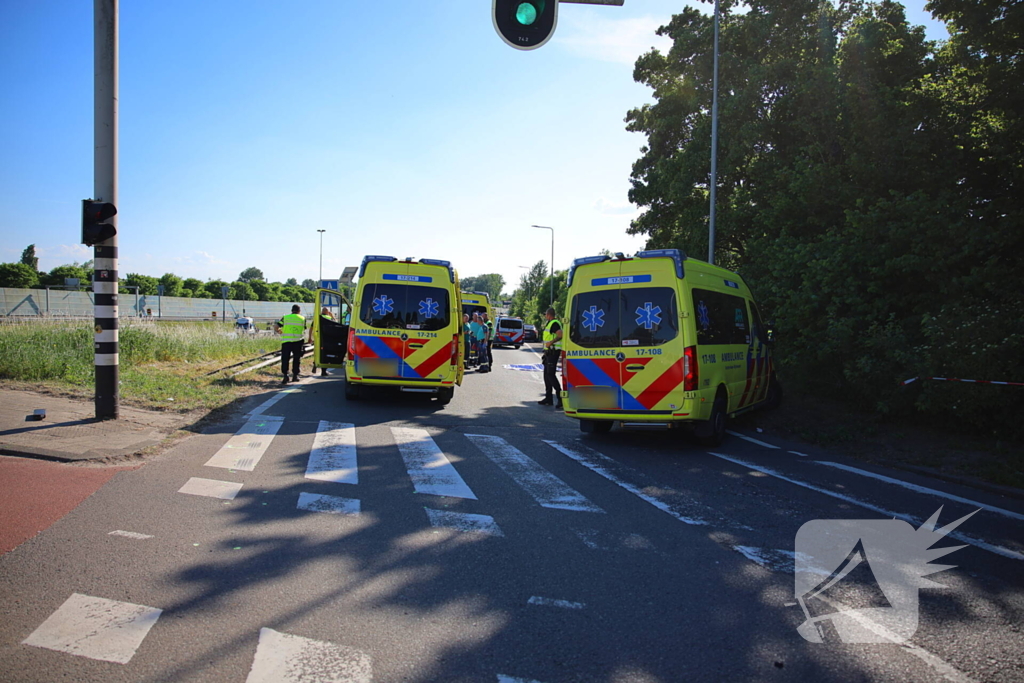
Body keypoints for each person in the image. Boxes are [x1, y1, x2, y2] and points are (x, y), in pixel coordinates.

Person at [275, 304, 306, 384]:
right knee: (296, 359)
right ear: (299, 311)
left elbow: (276, 326)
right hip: (298, 341)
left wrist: (279, 331)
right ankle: (295, 375)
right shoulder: (302, 318)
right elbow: (304, 328)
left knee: (285, 359)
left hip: (286, 341)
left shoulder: (286, 317)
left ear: (291, 310)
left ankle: (286, 376)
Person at [539, 307, 563, 407]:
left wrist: (551, 342)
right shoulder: (550, 323)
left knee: (550, 375)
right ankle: (548, 398)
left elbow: (560, 335)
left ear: (549, 315)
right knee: (546, 375)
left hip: (553, 351)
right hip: (548, 352)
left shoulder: (554, 323)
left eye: (545, 314)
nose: (545, 316)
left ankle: (560, 398)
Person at [310, 307, 335, 376]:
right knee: (325, 354)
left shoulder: (317, 318)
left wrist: (310, 337)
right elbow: (335, 325)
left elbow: (311, 328)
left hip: (318, 339)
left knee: (317, 353)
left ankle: (315, 364)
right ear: (327, 312)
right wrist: (332, 316)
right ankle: (323, 371)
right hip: (326, 339)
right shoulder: (329, 318)